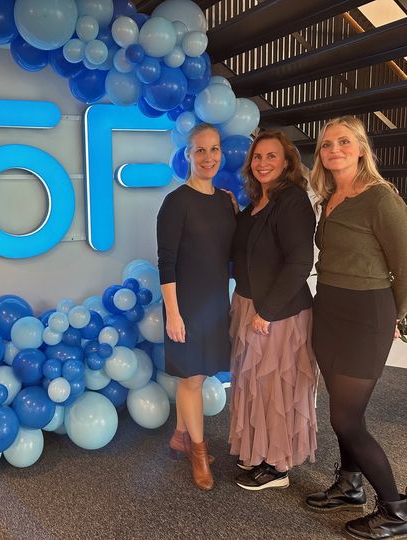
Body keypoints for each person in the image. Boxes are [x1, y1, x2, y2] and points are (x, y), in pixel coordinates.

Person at [306, 116, 407, 540]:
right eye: (326, 144)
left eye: (343, 141)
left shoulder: (381, 199)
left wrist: (393, 317)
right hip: (329, 309)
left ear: (360, 149)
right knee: (342, 410)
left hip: (365, 315)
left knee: (346, 418)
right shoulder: (329, 198)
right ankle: (350, 485)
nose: (333, 149)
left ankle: (395, 511)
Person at [228, 130, 318, 491]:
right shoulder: (255, 204)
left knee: (275, 388)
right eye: (257, 156)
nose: (263, 163)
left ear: (287, 162)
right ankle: (258, 450)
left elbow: (300, 263)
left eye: (271, 156)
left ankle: (277, 467)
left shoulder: (292, 201)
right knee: (254, 385)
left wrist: (267, 312)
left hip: (278, 312)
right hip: (249, 304)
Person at [156, 123, 236, 491]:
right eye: (200, 150)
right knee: (191, 378)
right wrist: (173, 313)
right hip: (184, 305)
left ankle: (179, 436)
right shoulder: (176, 202)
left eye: (214, 149)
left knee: (199, 375)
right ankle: (199, 452)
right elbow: (167, 262)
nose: (208, 157)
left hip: (215, 304)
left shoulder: (225, 201)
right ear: (188, 155)